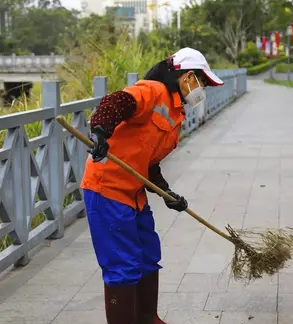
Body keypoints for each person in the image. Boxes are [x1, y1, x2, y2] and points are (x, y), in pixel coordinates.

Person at [80, 47, 224, 324]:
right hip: (107, 189)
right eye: (201, 81)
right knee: (123, 265)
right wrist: (100, 132)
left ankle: (149, 318)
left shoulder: (176, 113)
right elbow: (117, 102)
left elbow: (149, 162)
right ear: (185, 76)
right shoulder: (153, 90)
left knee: (147, 255)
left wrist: (167, 193)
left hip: (134, 194)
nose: (202, 88)